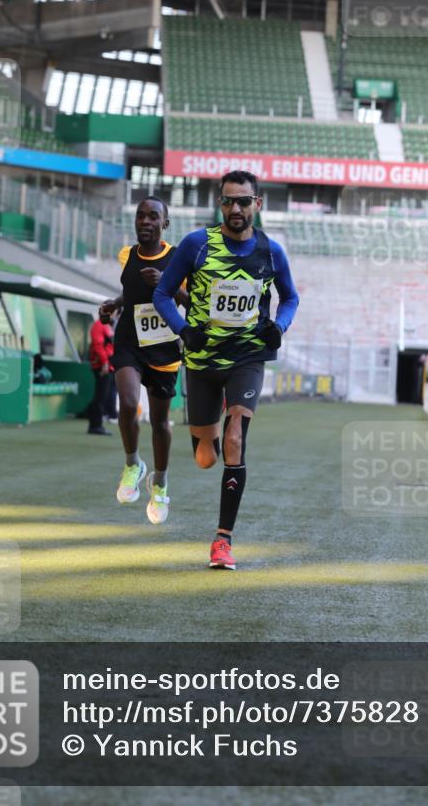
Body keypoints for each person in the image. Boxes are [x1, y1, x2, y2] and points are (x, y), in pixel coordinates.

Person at [154, 170, 299, 569]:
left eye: (243, 201)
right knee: (205, 458)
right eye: (228, 201)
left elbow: (290, 298)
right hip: (201, 360)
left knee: (237, 437)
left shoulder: (272, 252)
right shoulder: (197, 245)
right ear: (220, 203)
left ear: (258, 204)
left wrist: (279, 327)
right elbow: (162, 293)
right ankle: (207, 435)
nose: (236, 209)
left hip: (247, 358)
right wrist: (184, 331)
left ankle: (223, 540)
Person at [99, 197, 189, 524]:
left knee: (161, 423)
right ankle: (133, 463)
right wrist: (113, 303)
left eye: (153, 217)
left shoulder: (178, 258)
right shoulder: (127, 255)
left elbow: (191, 303)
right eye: (140, 216)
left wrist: (165, 285)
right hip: (129, 341)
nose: (145, 222)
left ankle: (161, 482)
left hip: (164, 347)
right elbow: (132, 293)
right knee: (126, 402)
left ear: (164, 224)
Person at [87, 309, 115, 436]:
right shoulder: (98, 325)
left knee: (103, 395)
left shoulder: (107, 326)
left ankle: (96, 424)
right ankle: (95, 425)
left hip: (107, 365)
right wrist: (104, 362)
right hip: (101, 365)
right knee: (100, 395)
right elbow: (98, 345)